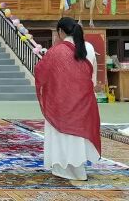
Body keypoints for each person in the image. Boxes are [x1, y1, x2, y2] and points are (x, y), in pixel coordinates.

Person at [34, 17, 101, 181]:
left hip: (62, 102)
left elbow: (40, 71)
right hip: (84, 101)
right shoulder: (89, 47)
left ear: (61, 31)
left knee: (62, 135)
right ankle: (79, 168)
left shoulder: (57, 51)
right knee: (78, 136)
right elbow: (92, 76)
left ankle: (62, 167)